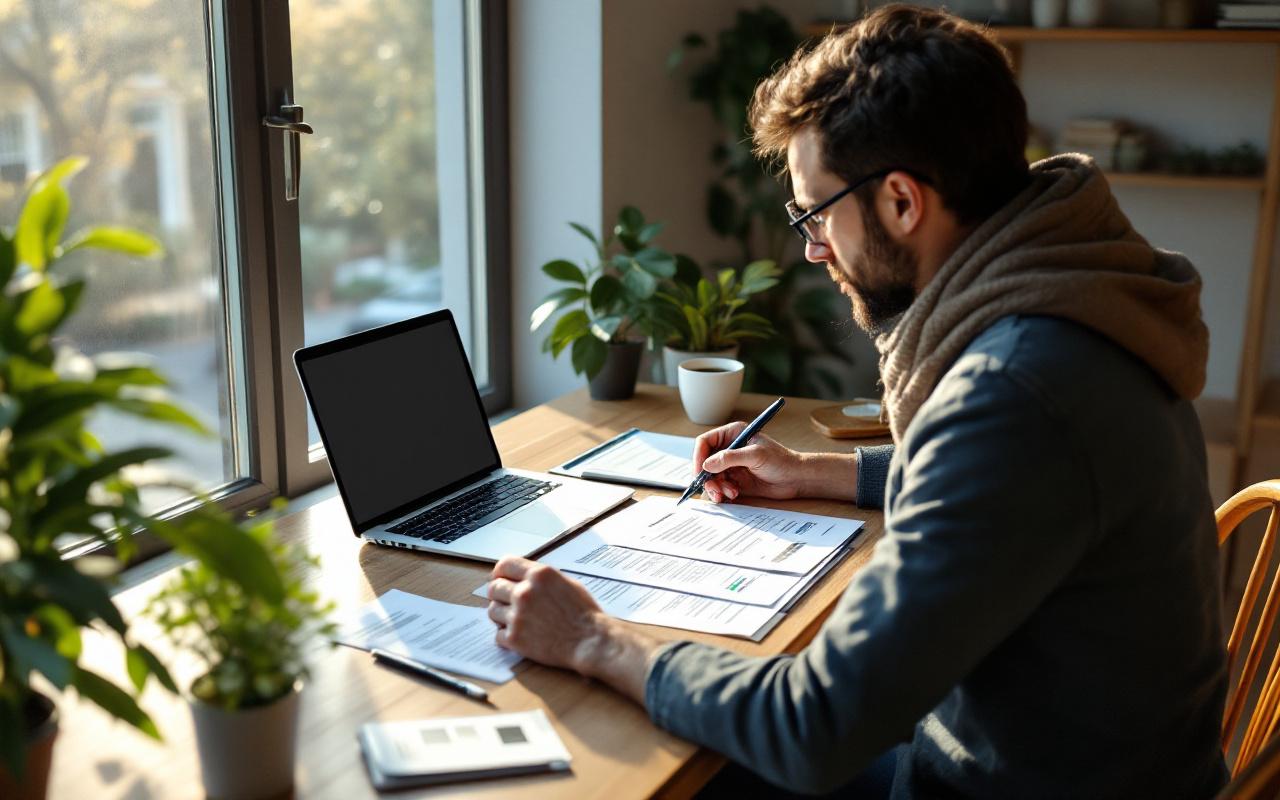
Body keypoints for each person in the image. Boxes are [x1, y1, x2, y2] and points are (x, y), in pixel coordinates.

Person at [486, 5, 1227, 796]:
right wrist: (819, 472)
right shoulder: (1081, 297)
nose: (812, 248)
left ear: (902, 202)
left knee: (655, 768)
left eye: (815, 213)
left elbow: (812, 729)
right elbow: (1009, 489)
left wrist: (596, 638)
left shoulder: (1016, 389)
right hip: (1098, 763)